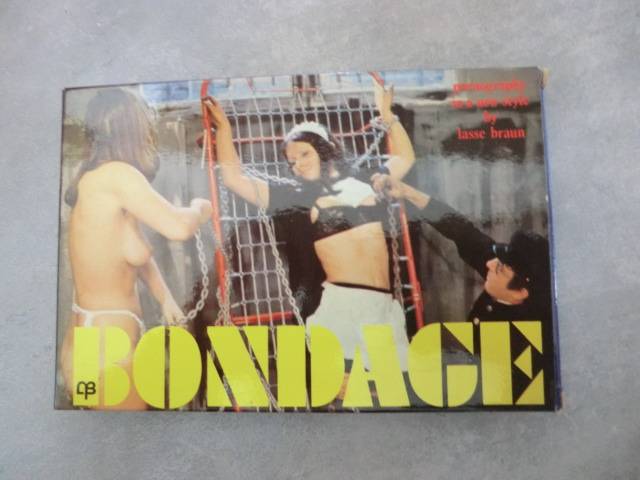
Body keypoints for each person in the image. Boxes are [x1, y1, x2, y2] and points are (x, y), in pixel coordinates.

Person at [202, 79, 415, 373]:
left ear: (325, 149)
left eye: (304, 154)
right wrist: (224, 129)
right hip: (343, 305)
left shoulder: (366, 179)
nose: (298, 165)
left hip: (383, 307)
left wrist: (387, 115)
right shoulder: (297, 196)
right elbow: (234, 179)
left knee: (392, 389)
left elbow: (405, 158)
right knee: (347, 391)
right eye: (291, 161)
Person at [60, 88, 213, 410]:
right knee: (128, 440)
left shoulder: (93, 178)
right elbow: (178, 227)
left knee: (106, 437)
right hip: (109, 347)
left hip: (89, 340)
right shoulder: (119, 175)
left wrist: (164, 297)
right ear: (132, 129)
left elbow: (133, 252)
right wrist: (200, 208)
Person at [370, 175, 552, 325]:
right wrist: (406, 191)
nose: (489, 263)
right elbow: (461, 230)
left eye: (499, 268)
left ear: (521, 293)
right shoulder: (503, 271)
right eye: (496, 259)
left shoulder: (531, 329)